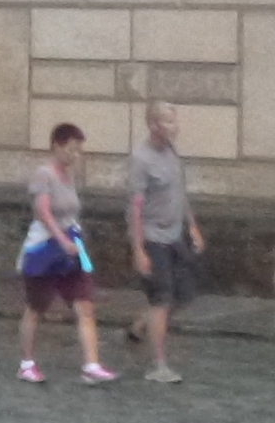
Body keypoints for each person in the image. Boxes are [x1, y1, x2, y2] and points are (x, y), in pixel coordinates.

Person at [14, 120, 114, 384]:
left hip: (72, 248)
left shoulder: (69, 176)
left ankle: (91, 364)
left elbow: (70, 214)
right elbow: (44, 212)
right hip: (45, 249)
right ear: (56, 146)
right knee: (36, 307)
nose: (75, 155)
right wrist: (61, 240)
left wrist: (74, 243)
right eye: (71, 148)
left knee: (84, 304)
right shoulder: (44, 174)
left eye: (78, 150)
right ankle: (27, 363)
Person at [126, 101, 205, 384]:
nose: (175, 127)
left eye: (175, 121)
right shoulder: (141, 159)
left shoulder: (172, 150)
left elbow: (179, 192)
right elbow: (135, 207)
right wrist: (138, 249)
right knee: (161, 300)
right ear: (153, 125)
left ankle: (140, 326)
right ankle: (158, 365)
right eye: (169, 122)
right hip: (152, 237)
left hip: (175, 234)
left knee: (184, 295)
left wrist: (192, 225)